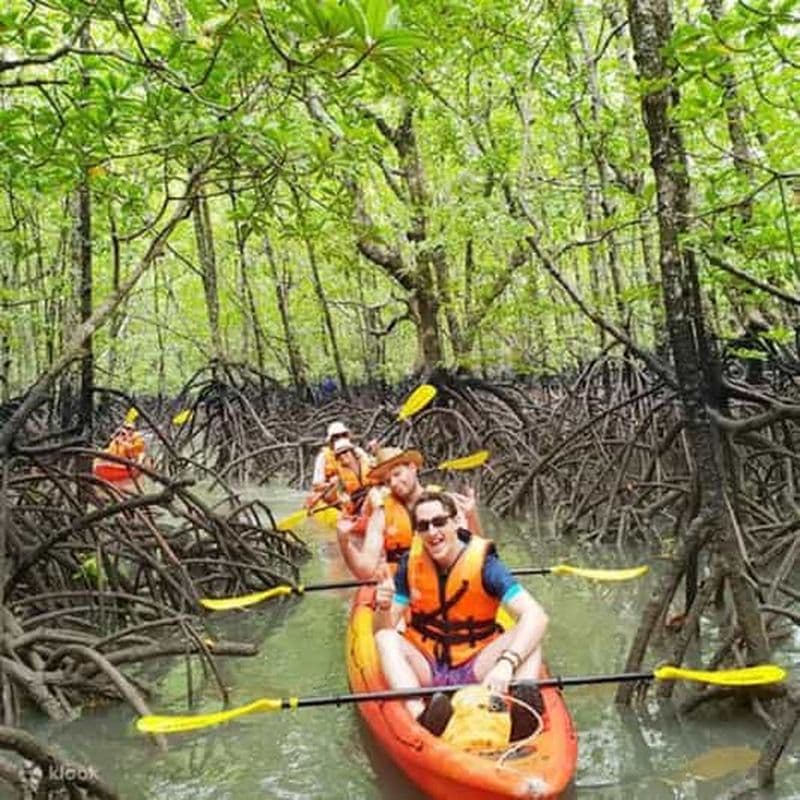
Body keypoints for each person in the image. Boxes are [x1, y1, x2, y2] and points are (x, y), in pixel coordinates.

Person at [373, 490, 548, 739]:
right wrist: (382, 606)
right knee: (385, 639)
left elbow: (537, 615)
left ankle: (519, 709)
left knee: (530, 632)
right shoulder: (408, 565)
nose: (432, 532)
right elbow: (382, 629)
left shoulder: (487, 566)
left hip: (476, 665)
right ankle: (421, 715)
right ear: (417, 532)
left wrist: (507, 664)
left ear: (456, 522)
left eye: (439, 522)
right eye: (423, 526)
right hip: (428, 664)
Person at [337, 447, 480, 581]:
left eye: (397, 474)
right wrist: (344, 542)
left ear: (412, 468)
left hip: (441, 583)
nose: (393, 483)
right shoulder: (381, 513)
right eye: (387, 481)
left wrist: (471, 516)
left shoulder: (445, 501)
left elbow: (475, 555)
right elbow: (365, 570)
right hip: (401, 587)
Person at [308, 421, 370, 509]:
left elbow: (372, 472)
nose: (340, 438)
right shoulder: (323, 457)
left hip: (361, 493)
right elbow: (317, 485)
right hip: (336, 495)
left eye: (343, 435)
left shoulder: (359, 452)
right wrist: (331, 484)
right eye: (336, 436)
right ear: (330, 440)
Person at [330, 437, 373, 516]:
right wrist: (345, 499)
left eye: (345, 452)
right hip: (357, 502)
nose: (342, 456)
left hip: (372, 497)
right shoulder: (340, 477)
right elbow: (341, 494)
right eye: (339, 455)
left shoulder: (369, 463)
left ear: (352, 452)